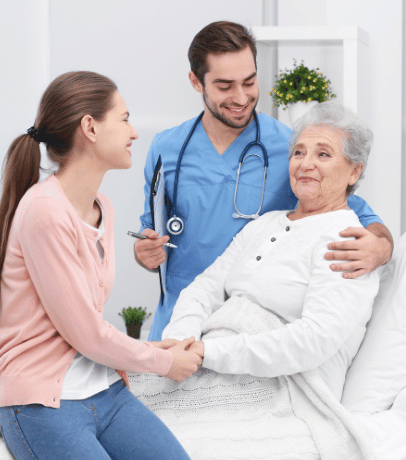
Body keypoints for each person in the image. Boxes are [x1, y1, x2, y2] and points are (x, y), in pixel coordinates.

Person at [130, 102, 381, 458]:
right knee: (111, 410)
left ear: (354, 171)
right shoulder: (265, 223)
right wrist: (180, 342)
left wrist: (208, 353)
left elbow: (313, 341)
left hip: (283, 386)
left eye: (323, 154)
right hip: (208, 362)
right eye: (298, 152)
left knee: (165, 444)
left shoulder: (349, 242)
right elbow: (204, 288)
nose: (305, 163)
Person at [0, 71, 200, 460]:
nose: (133, 133)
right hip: (42, 404)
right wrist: (163, 362)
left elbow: (83, 325)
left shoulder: (102, 208)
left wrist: (146, 348)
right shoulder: (44, 211)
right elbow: (86, 333)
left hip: (106, 392)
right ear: (90, 128)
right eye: (124, 119)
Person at [135, 21, 393, 341]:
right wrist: (145, 253)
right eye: (225, 86)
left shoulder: (291, 149)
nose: (241, 97)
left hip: (246, 326)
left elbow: (354, 212)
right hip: (177, 321)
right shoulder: (165, 149)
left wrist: (380, 248)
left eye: (250, 81)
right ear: (196, 82)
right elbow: (152, 233)